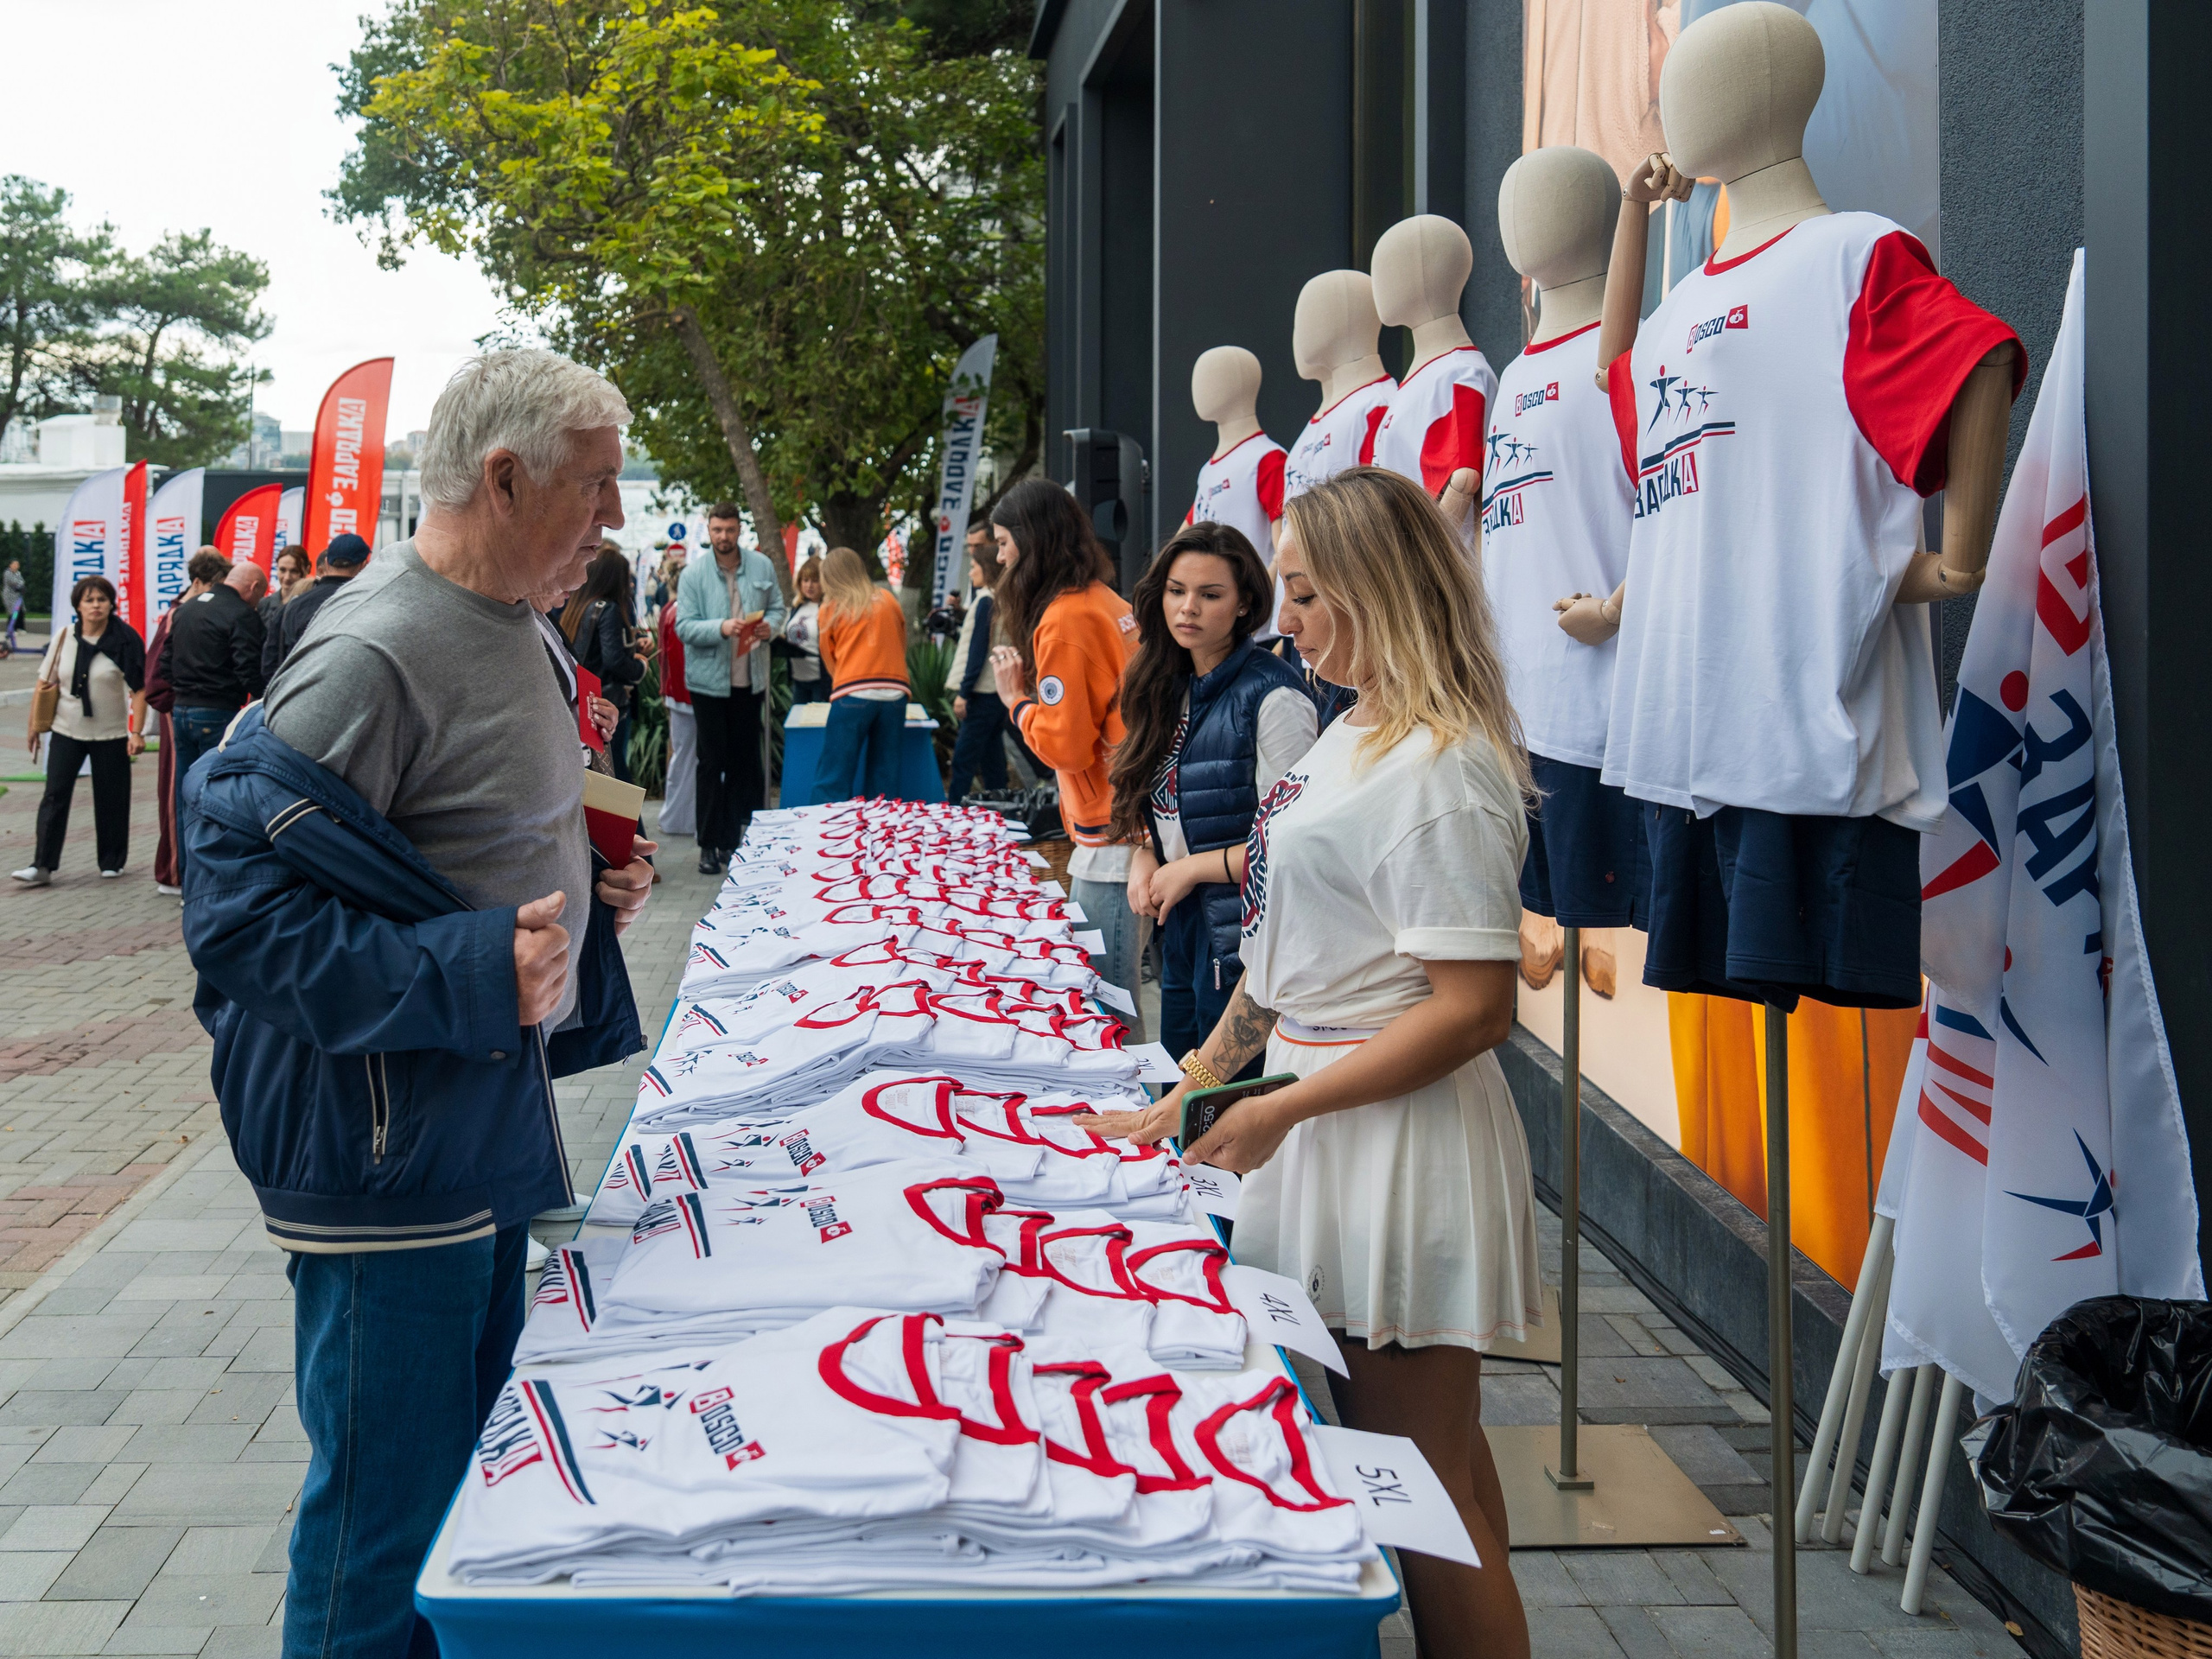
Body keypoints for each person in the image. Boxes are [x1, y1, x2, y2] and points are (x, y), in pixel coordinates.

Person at [182, 347, 655, 1659]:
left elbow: (461, 842)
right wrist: (471, 970)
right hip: (388, 1158)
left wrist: (592, 883)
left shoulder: (514, 621)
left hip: (469, 1127)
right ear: (504, 481)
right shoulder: (379, 648)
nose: (613, 519)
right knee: (384, 1531)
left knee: (469, 1496)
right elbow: (233, 912)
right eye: (597, 487)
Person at [1080, 467, 1538, 1659]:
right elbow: (1282, 971)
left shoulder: (1442, 767)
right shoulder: (1354, 728)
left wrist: (1283, 1107)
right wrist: (1193, 1089)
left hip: (1392, 1147)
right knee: (1438, 1476)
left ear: (1381, 592)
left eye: (1307, 593)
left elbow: (1476, 1009)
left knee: (1426, 1504)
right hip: (1328, 1117)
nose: (1288, 622)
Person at [1109, 520, 1319, 1071]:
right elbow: (1159, 806)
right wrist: (1144, 853)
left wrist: (1192, 870)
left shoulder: (1272, 697)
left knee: (1219, 1109)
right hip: (1178, 922)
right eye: (1177, 592)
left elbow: (1293, 846)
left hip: (1239, 938)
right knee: (1176, 1089)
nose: (1188, 608)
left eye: (1210, 595)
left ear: (1246, 605)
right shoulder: (1163, 681)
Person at [986, 478, 1148, 1035]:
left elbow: (1068, 745)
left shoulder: (1065, 619)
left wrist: (1017, 703)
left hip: (1113, 830)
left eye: (1005, 542)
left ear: (1033, 542)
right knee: (1113, 991)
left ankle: (1136, 1115)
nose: (1000, 556)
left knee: (1108, 999)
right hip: (1128, 818)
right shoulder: (1105, 600)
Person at [13, 575, 145, 885]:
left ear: (111, 604)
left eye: (102, 599)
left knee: (111, 798)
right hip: (65, 729)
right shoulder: (64, 637)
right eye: (89, 600)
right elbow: (45, 683)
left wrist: (136, 732)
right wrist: (34, 725)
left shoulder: (125, 639)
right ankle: (42, 865)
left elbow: (139, 690)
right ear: (78, 606)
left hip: (110, 733)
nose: (96, 606)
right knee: (55, 795)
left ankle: (111, 861)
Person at [675, 500, 785, 873]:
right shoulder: (692, 575)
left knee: (746, 762)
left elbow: (779, 609)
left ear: (740, 530)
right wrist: (720, 627)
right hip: (708, 683)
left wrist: (772, 625)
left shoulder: (762, 565)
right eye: (717, 530)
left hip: (750, 679)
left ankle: (739, 837)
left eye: (730, 530)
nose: (723, 536)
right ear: (708, 530)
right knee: (711, 762)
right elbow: (684, 627)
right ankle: (709, 842)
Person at [165, 554, 266, 880]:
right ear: (252, 588)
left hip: (180, 711)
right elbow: (249, 669)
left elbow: (165, 662)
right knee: (217, 799)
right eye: (260, 595)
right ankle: (214, 878)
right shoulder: (241, 614)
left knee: (186, 797)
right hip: (217, 711)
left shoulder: (185, 609)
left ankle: (186, 878)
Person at [137, 566, 220, 895]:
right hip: (179, 711)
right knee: (177, 791)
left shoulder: (190, 614)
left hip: (194, 707)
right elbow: (155, 675)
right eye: (211, 587)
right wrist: (170, 703)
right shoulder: (178, 615)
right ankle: (173, 870)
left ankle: (184, 870)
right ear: (197, 582)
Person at [811, 545, 911, 803]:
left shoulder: (831, 608)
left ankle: (826, 835)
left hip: (853, 691)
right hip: (895, 692)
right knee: (885, 778)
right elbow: (901, 643)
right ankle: (882, 836)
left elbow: (829, 657)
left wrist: (845, 679)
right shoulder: (889, 599)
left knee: (833, 776)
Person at [557, 543, 647, 781]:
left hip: (585, 702)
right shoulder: (610, 609)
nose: (629, 585)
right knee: (616, 774)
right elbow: (613, 659)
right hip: (608, 704)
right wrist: (640, 668)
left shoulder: (577, 606)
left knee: (604, 775)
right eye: (626, 578)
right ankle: (629, 821)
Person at [947, 532, 1011, 805]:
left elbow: (977, 653)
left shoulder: (986, 600)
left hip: (981, 692)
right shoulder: (1003, 598)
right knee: (992, 759)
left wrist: (964, 692)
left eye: (974, 567)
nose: (971, 571)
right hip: (998, 692)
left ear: (987, 570)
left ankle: (951, 815)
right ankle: (1003, 810)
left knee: (963, 760)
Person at [263, 534, 371, 679]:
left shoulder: (293, 606)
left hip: (295, 694)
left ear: (326, 563)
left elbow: (269, 667)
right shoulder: (367, 605)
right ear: (364, 565)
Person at [657, 580, 696, 837]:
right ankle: (681, 818)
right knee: (689, 758)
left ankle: (677, 818)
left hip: (679, 693)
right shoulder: (680, 612)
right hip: (689, 695)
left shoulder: (669, 611)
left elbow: (664, 656)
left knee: (682, 757)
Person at [780, 556, 827, 703]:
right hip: (798, 679)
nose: (809, 585)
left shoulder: (827, 608)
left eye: (815, 580)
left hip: (821, 681)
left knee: (816, 725)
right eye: (805, 580)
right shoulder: (797, 607)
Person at [258, 545, 309, 639]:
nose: (287, 577)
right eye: (282, 570)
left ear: (307, 569)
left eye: (294, 571)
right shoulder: (264, 605)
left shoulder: (311, 604)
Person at [3, 557, 23, 653]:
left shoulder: (18, 573)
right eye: (14, 564)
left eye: (17, 564)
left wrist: (20, 586)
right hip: (9, 596)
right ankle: (10, 630)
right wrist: (19, 585)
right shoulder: (7, 573)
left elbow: (22, 582)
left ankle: (18, 628)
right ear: (10, 565)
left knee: (20, 611)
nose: (16, 566)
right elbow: (13, 582)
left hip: (17, 596)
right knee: (13, 613)